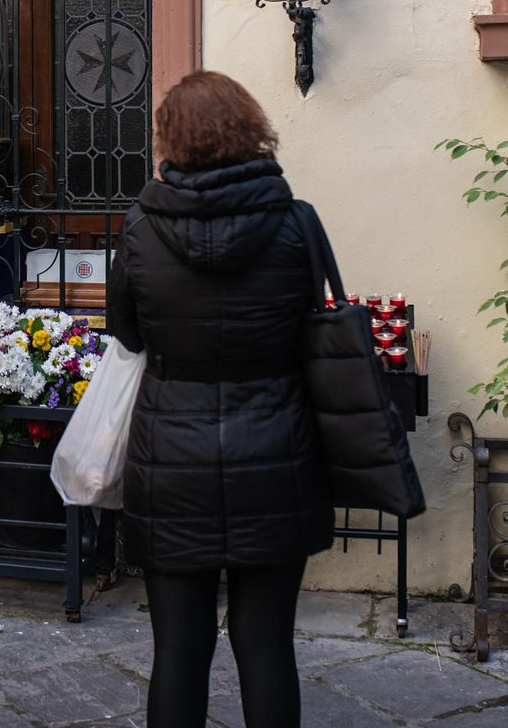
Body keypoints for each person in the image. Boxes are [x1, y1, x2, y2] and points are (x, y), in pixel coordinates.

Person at [106, 72, 336, 728]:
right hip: (276, 450)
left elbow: (125, 333)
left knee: (178, 647)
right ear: (248, 128)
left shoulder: (141, 228)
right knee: (266, 644)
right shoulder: (296, 222)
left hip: (170, 460)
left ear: (170, 138)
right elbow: (310, 324)